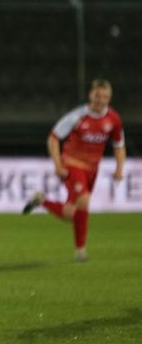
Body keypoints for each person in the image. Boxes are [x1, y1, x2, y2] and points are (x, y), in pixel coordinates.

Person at [22, 79, 125, 262]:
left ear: (110, 98)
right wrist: (58, 164)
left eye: (105, 97)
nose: (101, 100)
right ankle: (80, 251)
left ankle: (41, 201)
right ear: (90, 95)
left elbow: (118, 145)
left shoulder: (113, 119)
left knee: (71, 213)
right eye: (98, 96)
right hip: (72, 164)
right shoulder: (77, 116)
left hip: (92, 169)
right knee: (84, 201)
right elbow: (53, 138)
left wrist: (119, 168)